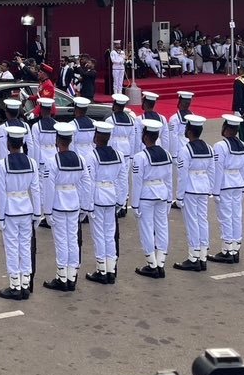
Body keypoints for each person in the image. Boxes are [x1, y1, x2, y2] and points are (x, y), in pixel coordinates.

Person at [40, 122, 88, 292]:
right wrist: (85, 206)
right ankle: (72, 276)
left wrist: (47, 211)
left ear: (57, 140)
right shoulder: (81, 159)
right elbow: (86, 184)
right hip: (74, 203)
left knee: (61, 241)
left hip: (59, 205)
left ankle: (62, 278)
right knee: (72, 241)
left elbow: (49, 188)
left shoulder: (52, 161)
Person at [0, 126, 39, 300]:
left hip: (11, 210)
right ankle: (25, 284)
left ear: (8, 143)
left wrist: (0, 216)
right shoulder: (32, 163)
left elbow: (0, 191)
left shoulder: (2, 164)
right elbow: (35, 189)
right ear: (22, 144)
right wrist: (37, 213)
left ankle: (15, 285)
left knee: (12, 247)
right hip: (27, 209)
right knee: (25, 246)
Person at [84, 121, 127, 285]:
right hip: (111, 197)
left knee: (99, 235)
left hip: (97, 198)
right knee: (109, 235)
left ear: (96, 137)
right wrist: (121, 200)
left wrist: (88, 205)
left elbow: (89, 182)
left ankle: (101, 270)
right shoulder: (119, 155)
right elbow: (122, 179)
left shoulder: (91, 156)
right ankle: (111, 269)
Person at [131, 118, 173, 279]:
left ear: (146, 136)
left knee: (147, 229)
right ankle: (161, 264)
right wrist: (169, 199)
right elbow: (169, 179)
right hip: (162, 193)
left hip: (146, 195)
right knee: (162, 228)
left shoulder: (140, 157)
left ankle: (152, 264)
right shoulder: (166, 154)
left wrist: (134, 204)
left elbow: (137, 182)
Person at [172, 115, 214, 272]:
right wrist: (209, 188)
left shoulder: (185, 150)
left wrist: (179, 196)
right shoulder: (209, 148)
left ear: (189, 131)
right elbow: (212, 171)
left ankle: (193, 257)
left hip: (190, 189)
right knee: (202, 220)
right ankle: (203, 256)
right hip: (203, 188)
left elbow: (182, 175)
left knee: (192, 223)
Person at [208, 115, 244, 264]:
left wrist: (215, 190)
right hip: (238, 183)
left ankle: (227, 250)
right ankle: (235, 249)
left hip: (225, 185)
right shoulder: (243, 145)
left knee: (225, 217)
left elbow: (218, 169)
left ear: (226, 128)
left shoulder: (220, 146)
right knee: (236, 216)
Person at [71, 97, 96, 164]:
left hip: (78, 154)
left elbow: (71, 145)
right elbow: (95, 143)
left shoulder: (72, 124)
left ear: (76, 109)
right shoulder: (94, 123)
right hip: (91, 153)